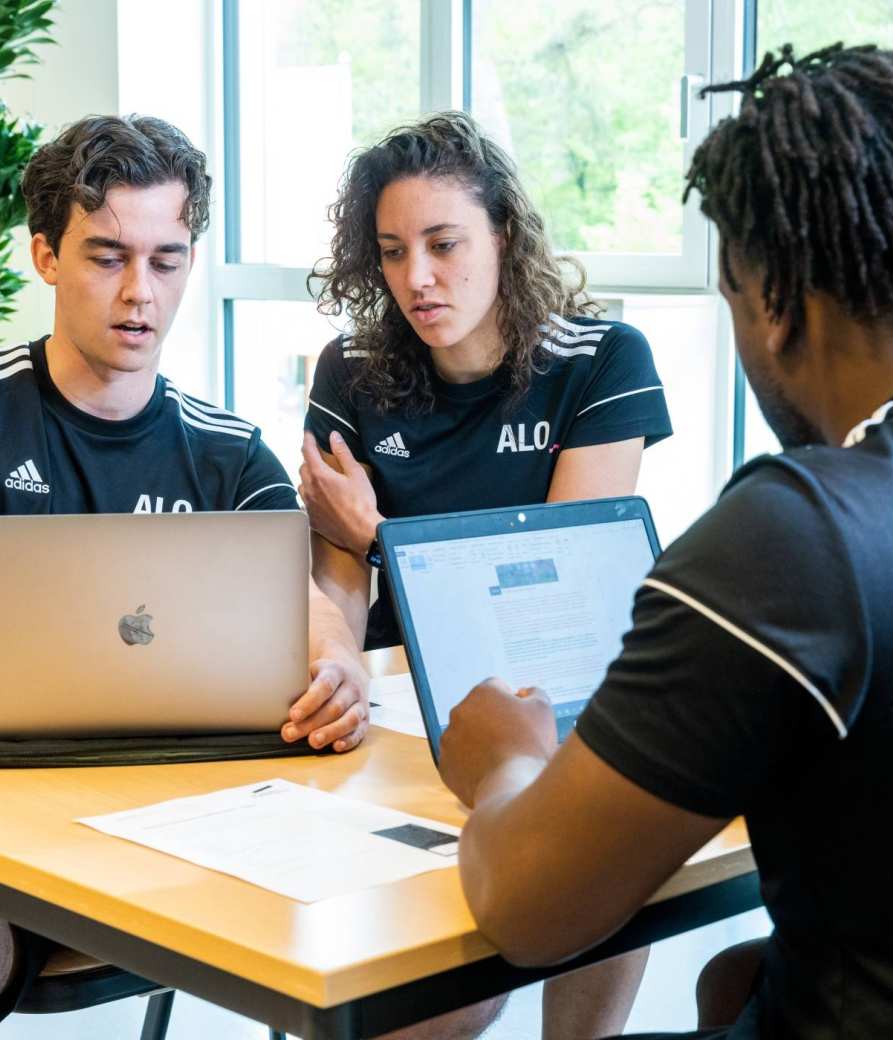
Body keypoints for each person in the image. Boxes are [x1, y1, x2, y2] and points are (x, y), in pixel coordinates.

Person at [439, 42, 893, 1039]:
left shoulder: (797, 535)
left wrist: (504, 760)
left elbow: (529, 908)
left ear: (774, 304)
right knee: (732, 974)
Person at [0, 114, 369, 1040]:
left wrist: (338, 668)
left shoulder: (230, 455)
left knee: (395, 952)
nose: (139, 293)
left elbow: (309, 620)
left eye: (167, 259)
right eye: (107, 257)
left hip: (185, 823)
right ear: (45, 256)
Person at [299, 113, 671, 1039]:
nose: (417, 278)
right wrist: (338, 661)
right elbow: (334, 578)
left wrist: (384, 538)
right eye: (391, 252)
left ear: (502, 233)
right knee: (441, 1000)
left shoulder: (603, 360)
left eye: (444, 243)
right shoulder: (350, 369)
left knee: (599, 855)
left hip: (550, 700)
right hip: (399, 712)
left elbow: (550, 591)